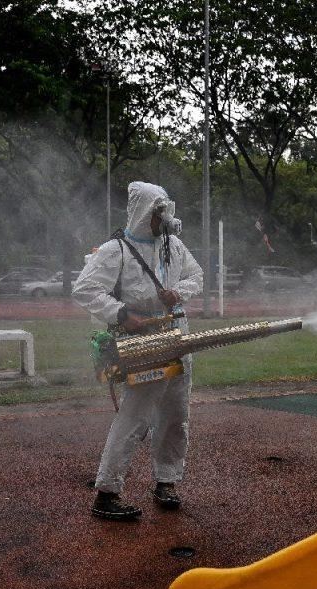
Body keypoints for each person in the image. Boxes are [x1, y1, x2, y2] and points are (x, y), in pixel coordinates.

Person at [74, 181, 204, 520]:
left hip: (177, 331)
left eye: (166, 212)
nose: (165, 219)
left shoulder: (173, 245)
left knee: (176, 413)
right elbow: (85, 289)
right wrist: (120, 313)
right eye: (159, 212)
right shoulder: (116, 249)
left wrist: (179, 293)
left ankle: (167, 480)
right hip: (143, 338)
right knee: (135, 414)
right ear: (144, 212)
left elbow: (197, 276)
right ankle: (106, 492)